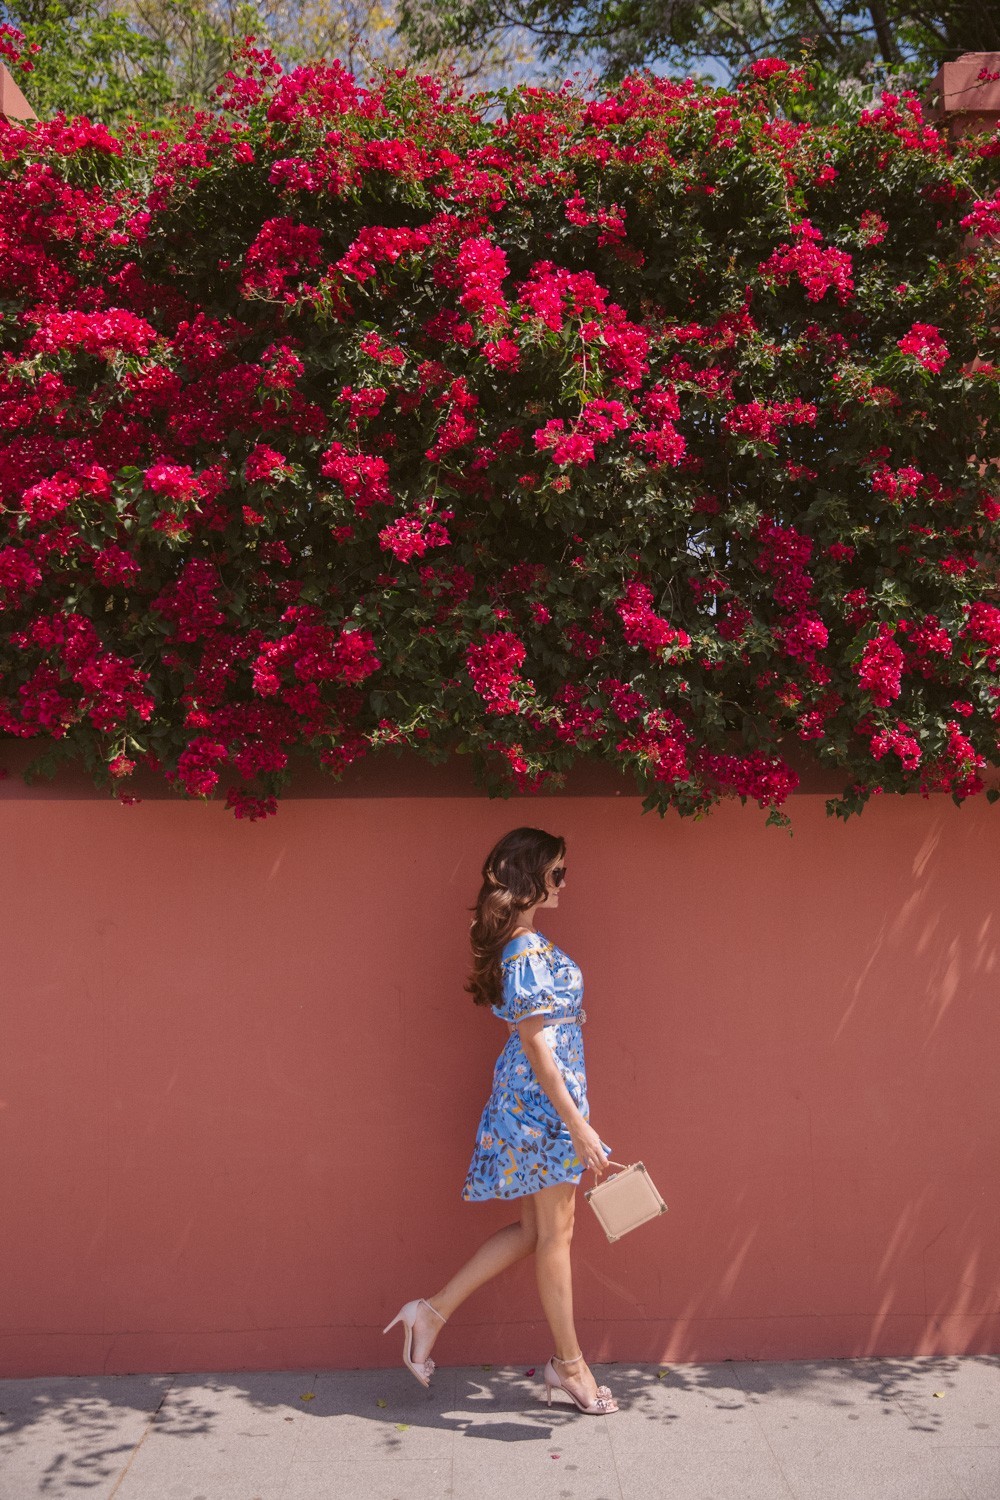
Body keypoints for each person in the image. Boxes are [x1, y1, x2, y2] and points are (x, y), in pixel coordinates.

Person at [383, 826, 620, 1415]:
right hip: (541, 1109)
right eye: (558, 872)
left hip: (540, 1104)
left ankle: (429, 1312)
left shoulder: (527, 944)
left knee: (538, 1234)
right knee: (556, 1237)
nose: (565, 882)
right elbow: (538, 1047)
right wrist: (580, 1125)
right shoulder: (521, 951)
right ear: (530, 877)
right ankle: (569, 1368)